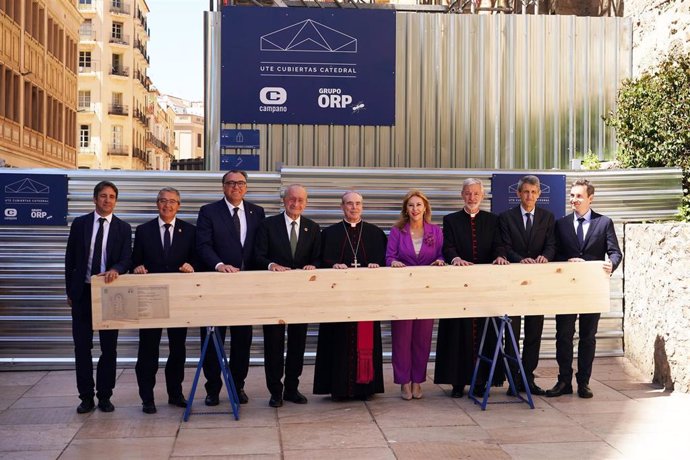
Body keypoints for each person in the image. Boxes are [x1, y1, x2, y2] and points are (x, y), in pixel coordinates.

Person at [546, 179, 622, 399]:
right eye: (571, 195)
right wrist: (565, 261)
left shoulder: (604, 222)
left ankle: (584, 383)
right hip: (567, 289)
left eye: (579, 196)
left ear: (590, 198)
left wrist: (612, 264)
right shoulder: (561, 224)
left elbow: (615, 252)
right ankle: (563, 382)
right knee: (563, 336)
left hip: (592, 289)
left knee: (588, 336)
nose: (574, 200)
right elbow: (554, 252)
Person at [196, 170, 265, 406]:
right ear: (223, 186)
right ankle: (212, 389)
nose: (236, 187)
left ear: (246, 187)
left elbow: (259, 248)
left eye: (241, 183)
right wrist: (219, 265)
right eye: (231, 183)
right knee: (214, 338)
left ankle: (238, 386)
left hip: (245, 287)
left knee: (242, 340)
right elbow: (203, 245)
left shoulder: (257, 212)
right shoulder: (209, 212)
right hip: (217, 285)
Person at [434, 178, 508, 398]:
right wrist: (455, 258)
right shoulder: (451, 220)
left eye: (476, 193)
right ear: (462, 195)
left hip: (485, 284)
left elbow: (499, 243)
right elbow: (447, 246)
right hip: (459, 285)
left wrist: (501, 256)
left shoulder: (493, 220)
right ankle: (458, 381)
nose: (472, 197)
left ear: (482, 196)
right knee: (458, 332)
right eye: (468, 193)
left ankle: (482, 380)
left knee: (486, 331)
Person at [65, 180, 132, 413]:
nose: (107, 200)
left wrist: (116, 269)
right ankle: (85, 397)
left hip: (109, 293)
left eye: (112, 196)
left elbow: (126, 259)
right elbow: (70, 259)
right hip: (83, 293)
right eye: (103, 196)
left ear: (116, 200)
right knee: (82, 348)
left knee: (109, 348)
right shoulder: (80, 224)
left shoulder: (123, 228)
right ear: (95, 199)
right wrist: (69, 291)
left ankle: (105, 396)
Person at [313, 191, 387, 401]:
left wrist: (377, 265)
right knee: (338, 342)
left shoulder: (375, 233)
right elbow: (319, 260)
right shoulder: (329, 233)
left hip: (366, 300)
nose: (353, 207)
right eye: (349, 204)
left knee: (367, 342)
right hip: (338, 300)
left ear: (362, 206)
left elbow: (385, 260)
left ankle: (366, 388)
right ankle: (339, 387)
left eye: (357, 204)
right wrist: (331, 264)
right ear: (342, 206)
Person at [254, 184, 321, 408]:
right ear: (284, 201)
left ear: (306, 203)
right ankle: (275, 391)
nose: (296, 204)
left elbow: (318, 258)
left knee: (297, 344)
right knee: (273, 344)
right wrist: (271, 264)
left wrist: (314, 266)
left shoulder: (312, 228)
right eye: (292, 199)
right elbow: (258, 255)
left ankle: (292, 388)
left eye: (301, 200)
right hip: (273, 295)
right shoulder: (267, 225)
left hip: (300, 296)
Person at [132, 187, 196, 414]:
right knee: (148, 350)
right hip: (151, 299)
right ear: (157, 204)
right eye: (163, 201)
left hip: (179, 299)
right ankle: (147, 398)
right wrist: (136, 267)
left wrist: (192, 267)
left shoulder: (189, 231)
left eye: (172, 202)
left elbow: (196, 261)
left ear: (179, 205)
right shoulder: (143, 230)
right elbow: (134, 262)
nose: (167, 205)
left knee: (178, 349)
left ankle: (175, 393)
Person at [498, 175, 556, 396]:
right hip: (513, 282)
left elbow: (552, 244)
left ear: (539, 194)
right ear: (518, 194)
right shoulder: (506, 217)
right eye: (525, 192)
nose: (529, 196)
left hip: (537, 284)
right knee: (511, 332)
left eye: (533, 192)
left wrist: (545, 256)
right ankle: (513, 379)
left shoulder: (548, 217)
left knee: (534, 332)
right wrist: (519, 259)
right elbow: (504, 246)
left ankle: (528, 378)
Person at [385, 190, 445, 400]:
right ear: (406, 209)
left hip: (426, 293)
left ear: (425, 208)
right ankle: (403, 382)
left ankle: (417, 381)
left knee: (422, 338)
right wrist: (393, 262)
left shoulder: (435, 231)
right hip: (402, 292)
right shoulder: (397, 231)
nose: (415, 209)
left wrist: (440, 261)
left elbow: (440, 254)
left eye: (419, 205)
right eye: (411, 205)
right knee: (401, 339)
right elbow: (389, 256)